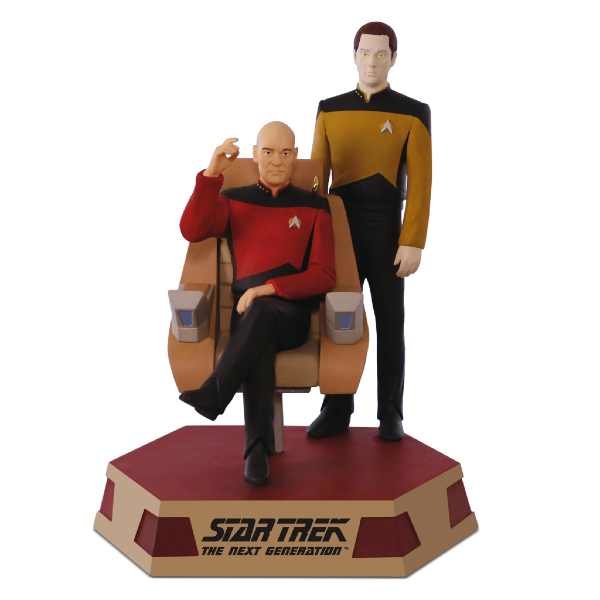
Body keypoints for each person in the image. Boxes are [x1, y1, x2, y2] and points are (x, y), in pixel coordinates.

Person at [178, 122, 336, 485]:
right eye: (268, 152)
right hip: (246, 314)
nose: (277, 160)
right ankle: (256, 451)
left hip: (292, 314)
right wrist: (211, 174)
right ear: (255, 155)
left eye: (285, 152)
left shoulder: (314, 205)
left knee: (260, 315)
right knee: (257, 340)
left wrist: (267, 290)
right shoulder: (235, 200)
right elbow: (192, 229)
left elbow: (324, 275)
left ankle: (218, 398)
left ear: (295, 156)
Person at [308, 21, 432, 441]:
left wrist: (412, 240)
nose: (372, 62)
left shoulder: (413, 112)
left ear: (393, 58)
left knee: (391, 322)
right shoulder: (330, 109)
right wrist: (313, 239)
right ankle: (336, 408)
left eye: (381, 54)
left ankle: (390, 412)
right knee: (339, 320)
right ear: (354, 56)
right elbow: (317, 180)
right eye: (365, 53)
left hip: (387, 232)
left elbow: (422, 183)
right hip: (340, 231)